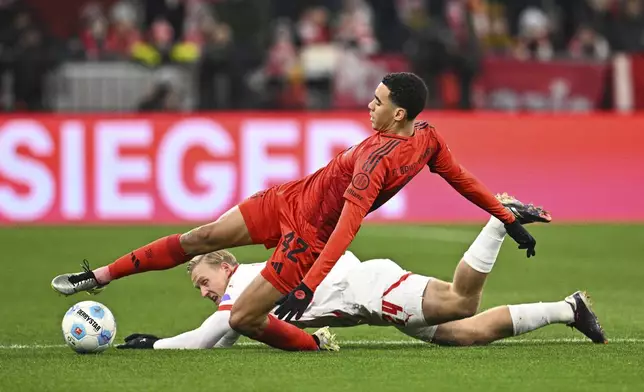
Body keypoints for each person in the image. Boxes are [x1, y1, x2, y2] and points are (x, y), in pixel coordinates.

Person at [52, 72, 539, 352]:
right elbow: (466, 181)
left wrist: (308, 281)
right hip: (287, 198)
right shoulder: (424, 135)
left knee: (243, 317)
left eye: (378, 100)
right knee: (202, 236)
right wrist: (506, 216)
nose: (370, 105)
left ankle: (315, 345)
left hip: (306, 235)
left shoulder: (383, 159)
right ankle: (101, 275)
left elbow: (347, 228)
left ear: (398, 115)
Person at [116, 196, 606, 350]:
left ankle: (498, 216)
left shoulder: (246, 282)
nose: (204, 291)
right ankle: (569, 308)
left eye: (204, 281)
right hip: (371, 299)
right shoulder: (244, 292)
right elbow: (222, 340)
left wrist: (153, 345)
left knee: (462, 302)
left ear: (225, 265)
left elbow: (210, 335)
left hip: (373, 290)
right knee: (467, 334)